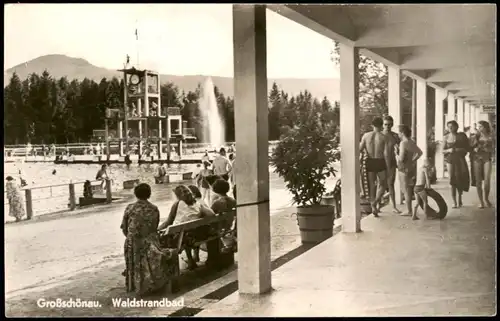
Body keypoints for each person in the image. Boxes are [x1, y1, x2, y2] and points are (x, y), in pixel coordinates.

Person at [120, 183, 176, 296]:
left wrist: (132, 237)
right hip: (150, 242)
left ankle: (134, 285)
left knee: (134, 249)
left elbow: (124, 227)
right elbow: (154, 227)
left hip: (133, 242)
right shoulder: (154, 209)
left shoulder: (130, 208)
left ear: (135, 194)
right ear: (149, 194)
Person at [158, 185, 215, 269]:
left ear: (178, 196)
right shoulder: (198, 205)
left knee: (179, 234)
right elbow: (212, 214)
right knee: (190, 230)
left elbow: (168, 222)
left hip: (182, 238)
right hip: (197, 236)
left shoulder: (177, 204)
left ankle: (190, 260)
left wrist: (157, 229)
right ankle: (195, 256)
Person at [359, 117, 391, 217]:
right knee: (383, 183)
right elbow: (386, 154)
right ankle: (376, 202)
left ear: (372, 125)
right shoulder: (384, 137)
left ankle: (373, 206)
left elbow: (360, 149)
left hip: (370, 161)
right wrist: (388, 167)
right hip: (380, 161)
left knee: (372, 185)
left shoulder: (366, 135)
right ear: (382, 125)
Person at [397, 124, 423, 217]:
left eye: (399, 133)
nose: (398, 135)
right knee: (410, 189)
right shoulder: (412, 142)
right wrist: (413, 160)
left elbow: (401, 158)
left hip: (403, 168)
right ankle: (410, 209)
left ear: (402, 133)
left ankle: (409, 210)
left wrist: (396, 153)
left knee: (405, 190)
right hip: (411, 167)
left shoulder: (403, 143)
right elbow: (420, 153)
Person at [443, 120, 470, 208]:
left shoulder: (462, 136)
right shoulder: (446, 137)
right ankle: (454, 201)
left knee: (460, 178)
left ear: (456, 127)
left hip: (460, 159)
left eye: (452, 126)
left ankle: (459, 199)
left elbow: (467, 149)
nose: (450, 128)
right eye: (449, 127)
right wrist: (449, 150)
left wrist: (459, 150)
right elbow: (442, 151)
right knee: (452, 180)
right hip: (450, 159)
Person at [470, 120, 494, 208]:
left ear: (485, 127)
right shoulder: (475, 136)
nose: (479, 128)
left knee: (487, 180)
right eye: (478, 127)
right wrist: (474, 149)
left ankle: (486, 198)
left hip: (487, 158)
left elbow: (493, 149)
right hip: (477, 159)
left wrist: (488, 149)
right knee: (478, 181)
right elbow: (471, 148)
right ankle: (481, 201)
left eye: (480, 126)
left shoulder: (491, 136)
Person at [210, 179, 237, 252]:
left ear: (215, 190)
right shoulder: (233, 201)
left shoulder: (216, 203)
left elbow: (210, 214)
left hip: (220, 228)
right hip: (230, 227)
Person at [382, 115, 402, 213]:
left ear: (392, 124)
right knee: (380, 185)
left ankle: (393, 206)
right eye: (386, 124)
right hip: (381, 161)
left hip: (392, 162)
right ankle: (377, 205)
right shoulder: (379, 135)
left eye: (389, 125)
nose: (387, 126)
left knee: (391, 184)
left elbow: (401, 149)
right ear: (383, 124)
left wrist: (398, 150)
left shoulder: (395, 136)